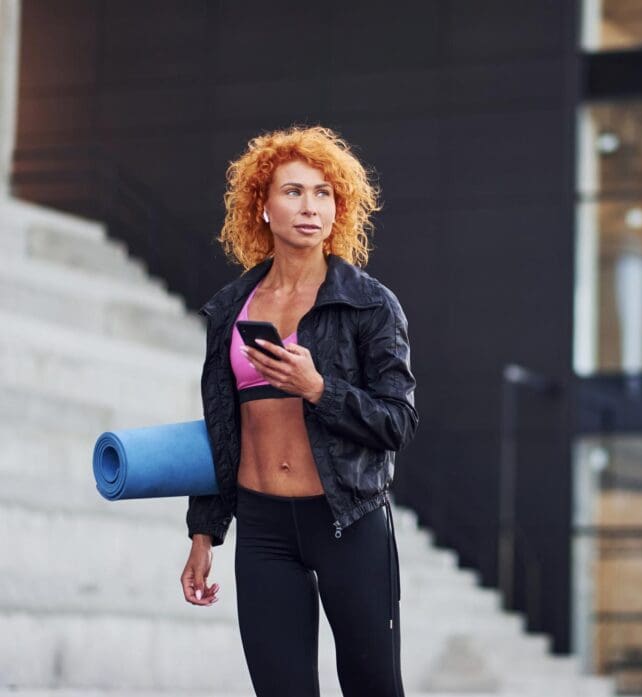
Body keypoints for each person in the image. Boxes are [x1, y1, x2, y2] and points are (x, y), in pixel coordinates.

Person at [179, 125, 419, 697]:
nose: (309, 206)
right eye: (292, 192)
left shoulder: (369, 303)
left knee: (373, 687)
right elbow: (222, 424)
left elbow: (399, 422)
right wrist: (204, 531)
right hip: (263, 529)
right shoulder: (232, 307)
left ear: (340, 209)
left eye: (323, 193)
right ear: (261, 207)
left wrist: (318, 388)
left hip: (347, 519)